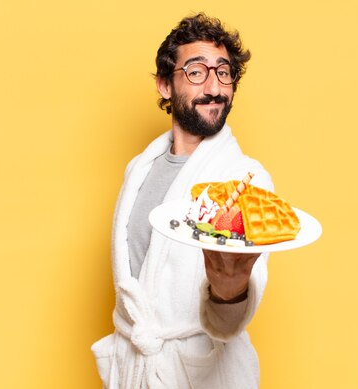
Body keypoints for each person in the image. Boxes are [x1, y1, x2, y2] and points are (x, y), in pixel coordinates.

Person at [92, 13, 275, 389]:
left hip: (200, 373)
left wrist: (230, 291)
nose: (214, 87)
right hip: (139, 369)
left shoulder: (246, 180)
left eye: (224, 73)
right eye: (196, 72)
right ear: (165, 84)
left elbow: (229, 323)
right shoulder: (139, 169)